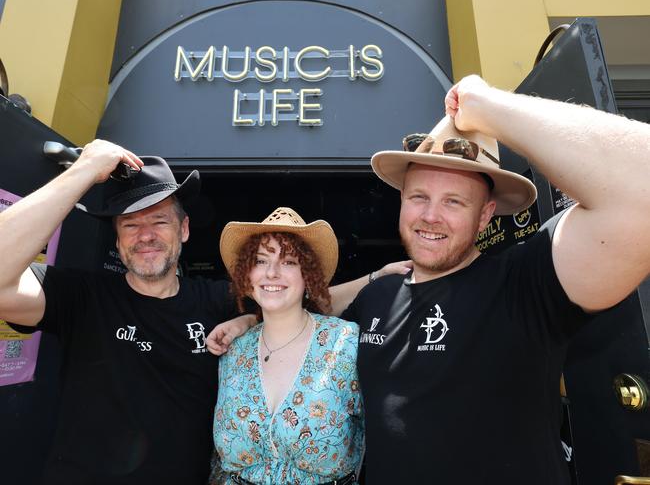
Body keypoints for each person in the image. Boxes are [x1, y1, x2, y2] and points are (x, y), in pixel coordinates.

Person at [0, 141, 407, 485]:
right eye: (129, 224)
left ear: (184, 230)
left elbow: (299, 301)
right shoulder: (79, 295)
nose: (145, 235)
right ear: (117, 238)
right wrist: (83, 171)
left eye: (159, 220)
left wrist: (375, 278)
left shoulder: (215, 302)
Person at [340, 75, 650, 484]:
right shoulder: (376, 296)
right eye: (419, 197)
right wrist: (249, 321)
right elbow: (302, 315)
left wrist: (485, 104)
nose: (431, 216)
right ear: (402, 202)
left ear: (485, 215)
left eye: (454, 201)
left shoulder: (526, 284)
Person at [213, 207, 362, 485]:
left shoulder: (345, 344)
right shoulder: (233, 351)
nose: (272, 272)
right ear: (247, 274)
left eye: (289, 262)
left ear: (308, 275)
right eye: (260, 260)